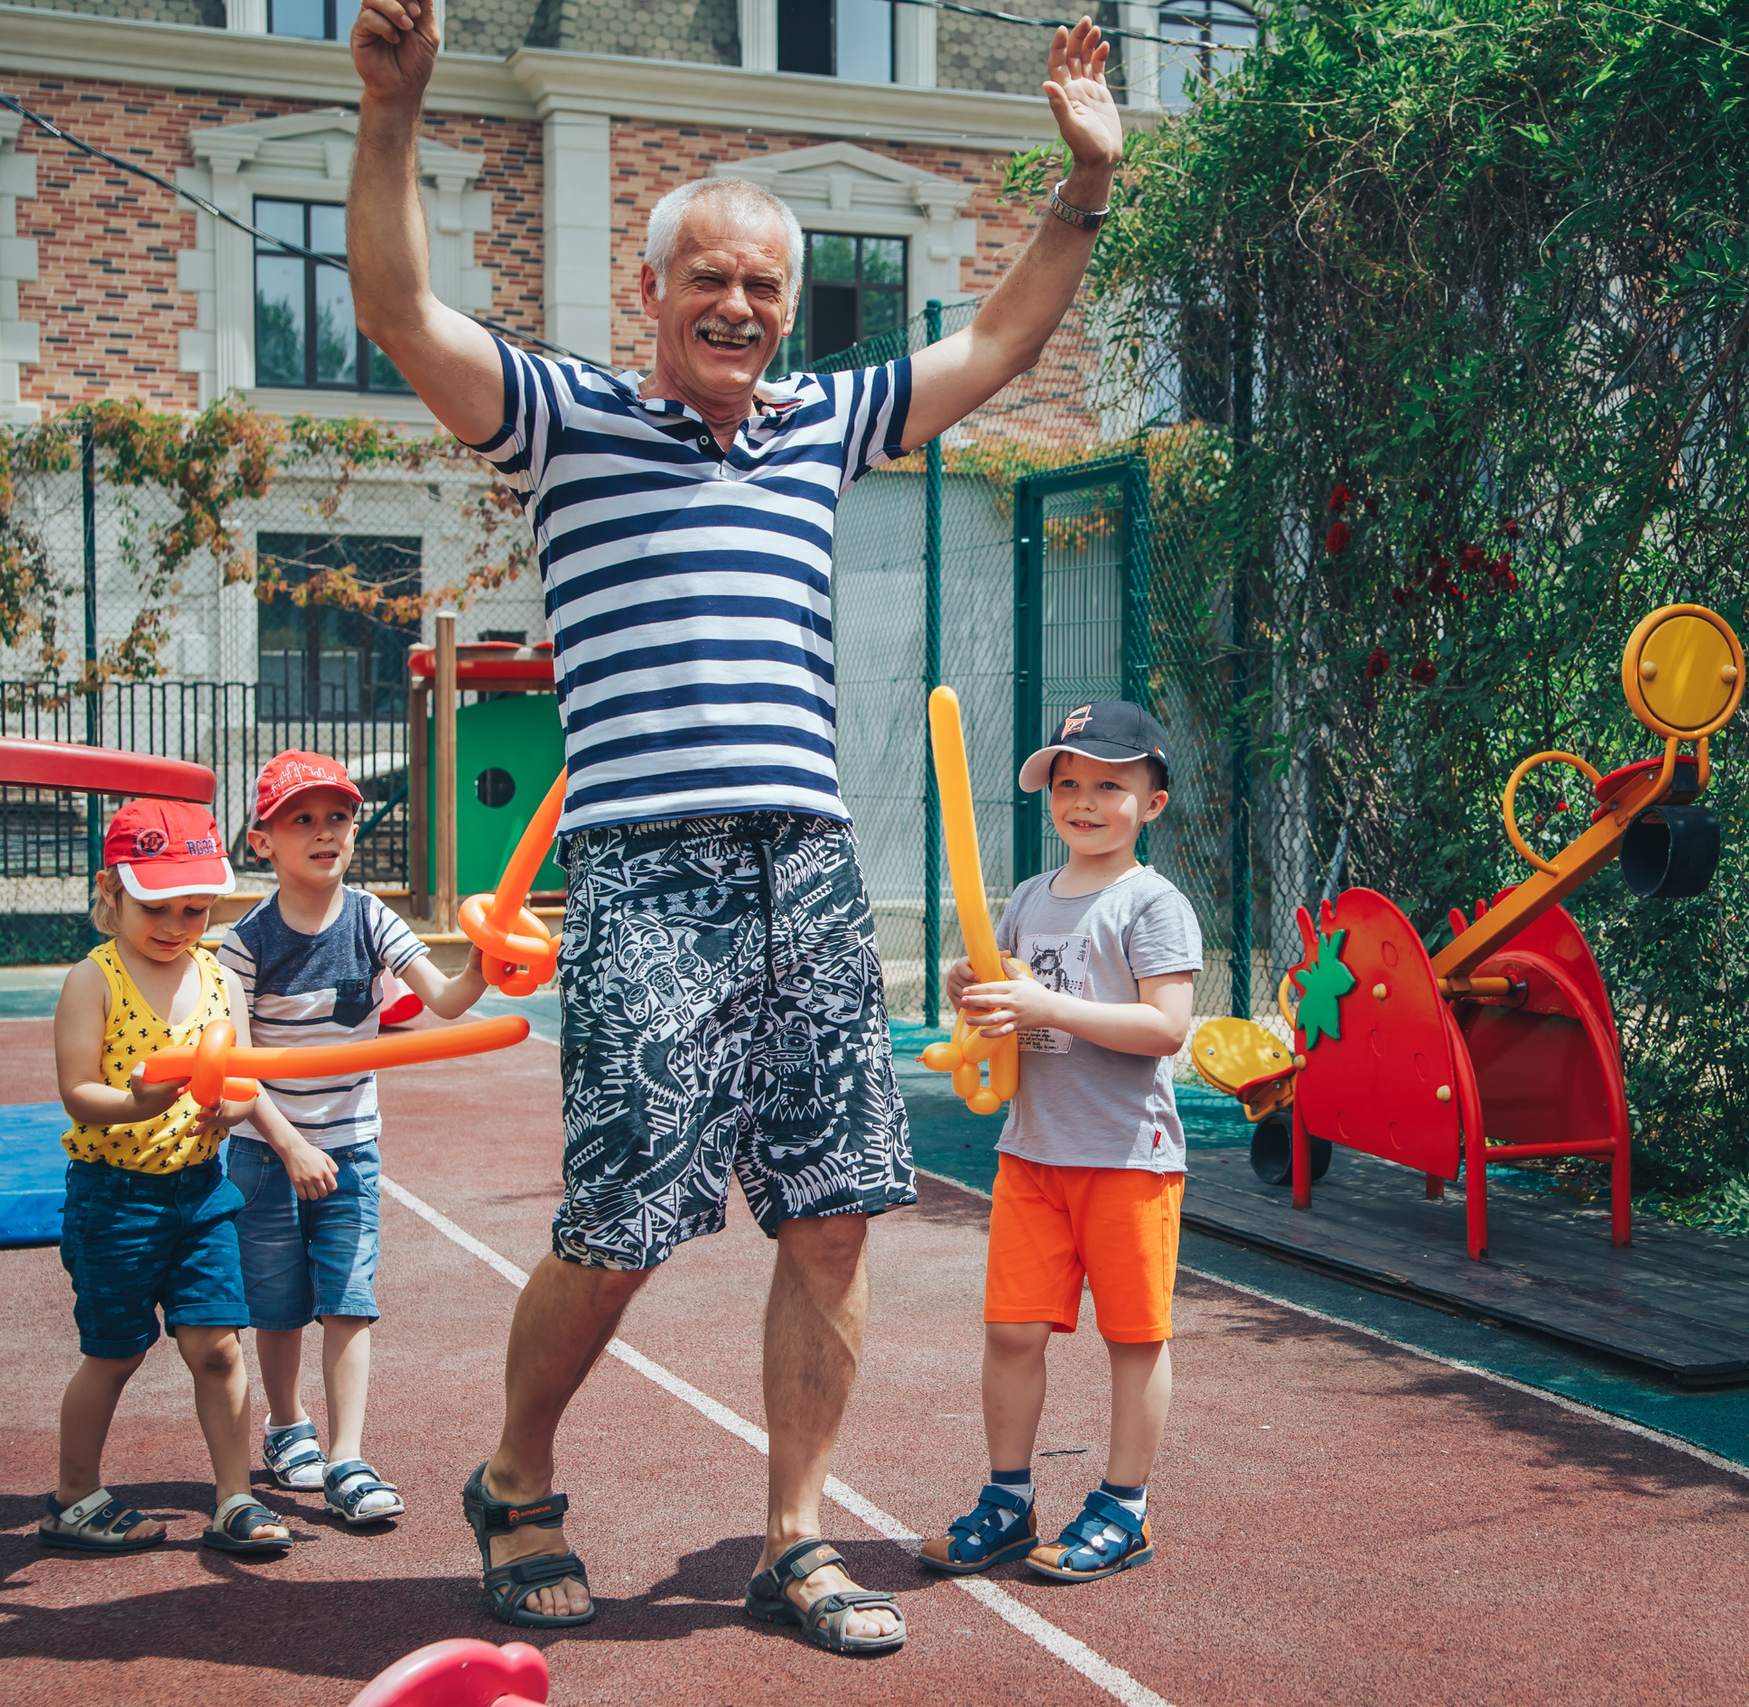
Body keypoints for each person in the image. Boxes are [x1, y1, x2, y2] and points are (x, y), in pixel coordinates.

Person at [345, 0, 1128, 1642]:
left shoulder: (822, 426)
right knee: (622, 1216)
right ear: (653, 290)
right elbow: (402, 306)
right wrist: (395, 117)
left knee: (840, 1211)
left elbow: (998, 349)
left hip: (812, 868)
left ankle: (791, 1537)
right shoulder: (562, 417)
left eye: (765, 284)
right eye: (708, 276)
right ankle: (515, 1475)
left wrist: (1082, 186)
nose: (739, 305)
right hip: (644, 865)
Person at [920, 701, 1201, 1583]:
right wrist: (972, 981)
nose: (1083, 800)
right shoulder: (1032, 898)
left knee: (1134, 1338)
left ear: (1151, 804)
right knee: (1009, 1333)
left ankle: (1124, 1506)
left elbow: (1166, 1028)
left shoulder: (1152, 903)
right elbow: (999, 1004)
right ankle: (1008, 1499)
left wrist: (1046, 1005)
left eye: (1109, 785)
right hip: (1032, 1154)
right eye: (1067, 783)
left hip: (1126, 1160)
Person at [218, 751, 493, 1524]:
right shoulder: (244, 944)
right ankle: (285, 1423)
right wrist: (289, 1144)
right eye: (300, 819)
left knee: (348, 1300)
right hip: (267, 1150)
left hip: (350, 1150)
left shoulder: (372, 918)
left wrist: (484, 960)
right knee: (276, 1304)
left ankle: (347, 1457)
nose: (324, 831)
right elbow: (237, 1074)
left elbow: (443, 1000)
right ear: (261, 840)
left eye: (337, 816)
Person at [40, 799, 294, 1557]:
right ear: (109, 893)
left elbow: (241, 1078)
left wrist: (229, 1103)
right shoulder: (96, 979)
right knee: (115, 1350)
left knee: (217, 1345)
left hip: (201, 1190)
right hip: (114, 1197)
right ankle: (73, 1495)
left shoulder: (218, 978)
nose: (178, 925)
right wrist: (136, 1101)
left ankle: (234, 1497)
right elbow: (78, 1088)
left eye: (195, 908)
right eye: (157, 906)